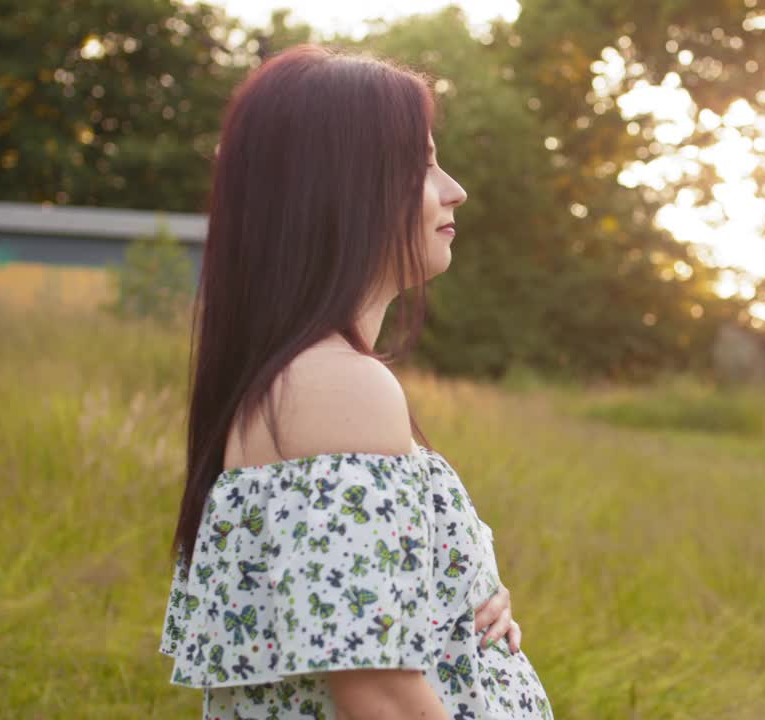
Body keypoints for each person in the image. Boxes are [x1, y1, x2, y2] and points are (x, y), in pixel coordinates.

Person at [158, 44, 554, 720]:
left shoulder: (308, 380)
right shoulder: (336, 389)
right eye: (424, 164)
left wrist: (468, 602)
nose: (454, 188)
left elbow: (359, 626)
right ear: (344, 188)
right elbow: (379, 694)